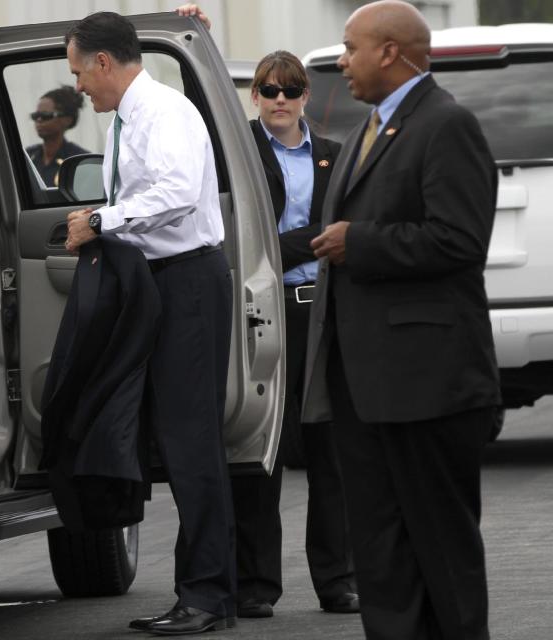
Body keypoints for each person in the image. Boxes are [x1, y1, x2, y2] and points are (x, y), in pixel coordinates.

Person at [303, 1, 500, 638]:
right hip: (365, 385)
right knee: (381, 552)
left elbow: (459, 240)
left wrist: (358, 243)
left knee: (441, 548)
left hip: (427, 383)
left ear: (390, 51)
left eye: (350, 46)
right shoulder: (370, 127)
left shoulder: (446, 125)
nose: (341, 60)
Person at [64, 11, 235, 636]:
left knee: (191, 442)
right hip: (159, 282)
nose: (79, 86)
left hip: (187, 280)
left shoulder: (162, 112)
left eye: (80, 72)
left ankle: (209, 597)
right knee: (173, 437)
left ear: (104, 63)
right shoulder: (129, 118)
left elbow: (179, 193)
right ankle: (207, 589)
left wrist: (105, 221)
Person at [237, 50, 358, 619]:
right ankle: (258, 585)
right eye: (268, 89)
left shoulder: (335, 155)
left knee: (331, 452)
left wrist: (305, 242)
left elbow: (352, 233)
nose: (279, 99)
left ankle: (339, 582)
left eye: (289, 89)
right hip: (265, 311)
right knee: (265, 452)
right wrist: (316, 237)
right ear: (254, 96)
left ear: (306, 95)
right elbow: (254, 240)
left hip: (324, 311)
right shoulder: (237, 152)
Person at [25, 85, 88, 187]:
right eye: (35, 116)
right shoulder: (27, 156)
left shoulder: (80, 161)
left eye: (46, 116)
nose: (39, 120)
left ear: (67, 120)